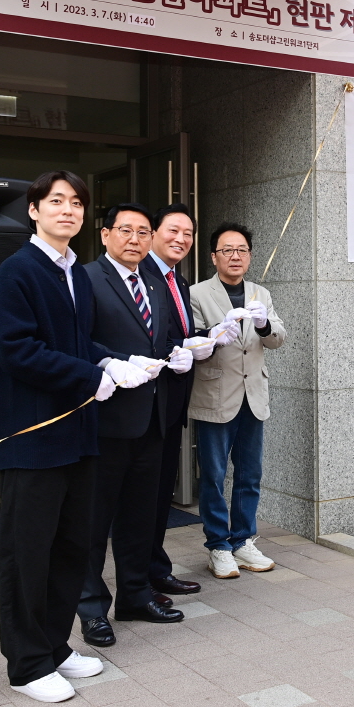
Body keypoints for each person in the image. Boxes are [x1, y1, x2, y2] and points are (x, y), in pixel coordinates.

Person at [0, 171, 122, 702]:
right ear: (33, 211)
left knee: (72, 546)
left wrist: (117, 363)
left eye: (78, 202)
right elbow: (16, 350)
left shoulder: (75, 275)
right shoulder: (17, 273)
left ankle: (56, 646)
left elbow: (78, 343)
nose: (69, 210)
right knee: (27, 552)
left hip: (78, 434)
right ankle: (26, 664)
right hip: (33, 438)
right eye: (56, 201)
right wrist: (93, 376)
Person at [77, 203, 194, 647]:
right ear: (105, 234)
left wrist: (179, 353)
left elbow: (161, 337)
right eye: (124, 230)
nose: (134, 239)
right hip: (106, 419)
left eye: (143, 232)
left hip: (153, 417)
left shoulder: (155, 282)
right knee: (94, 519)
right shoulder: (87, 278)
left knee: (140, 516)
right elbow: (75, 338)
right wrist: (109, 361)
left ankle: (134, 594)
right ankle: (90, 607)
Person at [189, 223, 286, 578]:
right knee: (214, 475)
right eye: (227, 250)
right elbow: (191, 343)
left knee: (250, 473)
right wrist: (214, 335)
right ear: (213, 256)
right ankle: (218, 545)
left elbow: (277, 338)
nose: (235, 256)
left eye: (241, 250)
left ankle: (244, 540)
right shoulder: (197, 293)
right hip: (215, 394)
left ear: (249, 256)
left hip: (253, 395)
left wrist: (263, 325)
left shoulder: (260, 292)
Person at [141, 203, 213, 601]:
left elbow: (179, 331)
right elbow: (146, 337)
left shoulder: (177, 281)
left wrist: (206, 335)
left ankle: (155, 569)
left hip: (172, 404)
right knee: (143, 497)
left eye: (188, 233)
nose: (181, 239)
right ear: (153, 232)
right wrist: (178, 348)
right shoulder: (143, 274)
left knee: (159, 493)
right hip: (146, 404)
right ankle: (142, 577)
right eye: (173, 230)